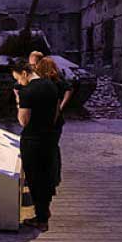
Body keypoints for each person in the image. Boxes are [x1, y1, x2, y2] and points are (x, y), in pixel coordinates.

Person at [12, 59, 59, 232]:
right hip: (49, 137)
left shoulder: (27, 92)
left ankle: (41, 219)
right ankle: (44, 212)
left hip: (32, 140)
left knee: (34, 178)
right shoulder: (51, 86)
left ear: (24, 74)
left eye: (18, 78)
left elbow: (23, 121)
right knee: (46, 176)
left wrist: (18, 99)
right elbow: (55, 113)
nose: (18, 82)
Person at [35, 57, 73, 191]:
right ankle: (54, 177)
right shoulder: (58, 81)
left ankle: (48, 178)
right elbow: (69, 90)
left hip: (47, 120)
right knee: (53, 148)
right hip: (56, 121)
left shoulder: (45, 83)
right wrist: (63, 106)